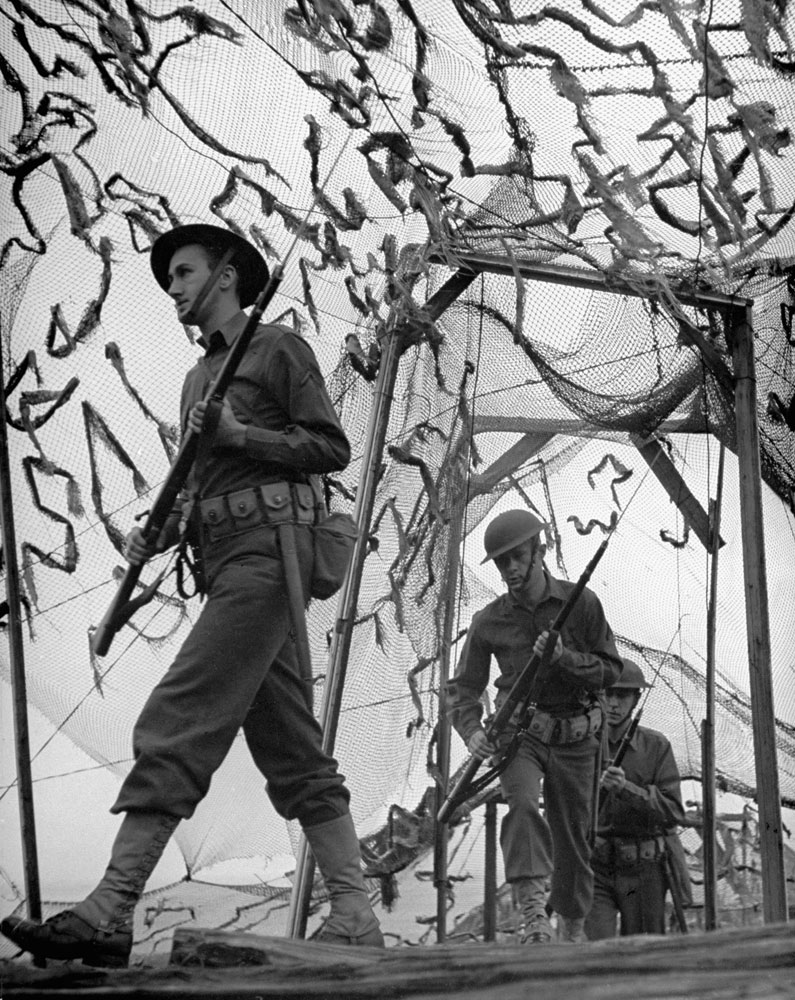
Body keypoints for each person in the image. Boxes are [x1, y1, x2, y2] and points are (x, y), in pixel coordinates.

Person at [1, 224, 383, 968]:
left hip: (270, 558)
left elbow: (331, 447)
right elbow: (200, 481)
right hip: (228, 559)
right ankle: (355, 913)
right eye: (169, 277)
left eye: (182, 272)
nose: (172, 287)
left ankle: (111, 907)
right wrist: (166, 532)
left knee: (178, 716)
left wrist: (243, 434)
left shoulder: (275, 349)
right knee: (291, 751)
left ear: (229, 275)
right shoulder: (194, 379)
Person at [447, 509, 622, 944]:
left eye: (517, 557)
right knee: (522, 807)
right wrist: (471, 731)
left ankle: (571, 928)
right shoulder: (489, 621)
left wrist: (565, 658)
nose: (510, 569)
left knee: (575, 836)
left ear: (540, 552)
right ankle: (532, 918)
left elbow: (611, 671)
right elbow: (462, 688)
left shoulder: (582, 604)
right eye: (502, 562)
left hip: (577, 737)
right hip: (519, 737)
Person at [585, 657, 688, 939]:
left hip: (644, 872)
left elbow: (674, 811)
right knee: (596, 955)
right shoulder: (582, 744)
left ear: (636, 699)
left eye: (622, 695)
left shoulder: (656, 746)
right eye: (607, 694)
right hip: (595, 870)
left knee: (645, 956)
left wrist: (627, 790)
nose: (614, 703)